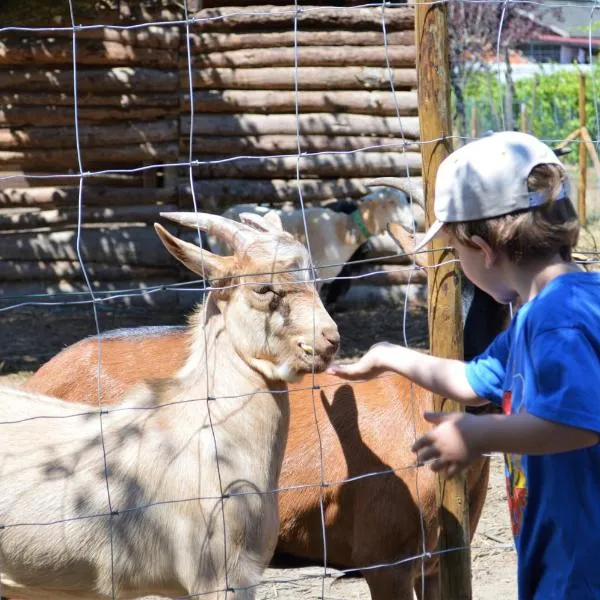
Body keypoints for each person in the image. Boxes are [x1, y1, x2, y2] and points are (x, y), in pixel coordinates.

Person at [329, 131, 600, 600]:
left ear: (484, 248)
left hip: (583, 565)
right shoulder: (539, 315)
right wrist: (388, 356)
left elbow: (580, 424)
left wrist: (479, 436)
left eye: (456, 251)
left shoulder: (558, 321)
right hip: (558, 551)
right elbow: (472, 379)